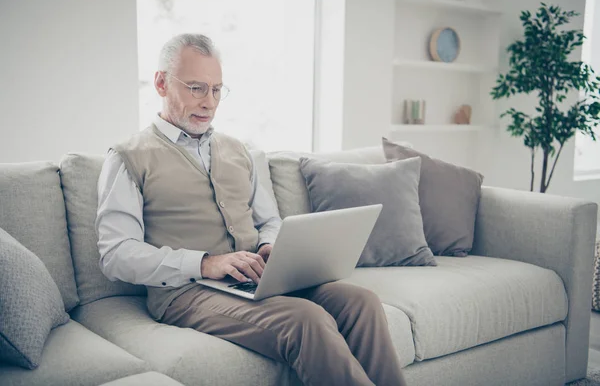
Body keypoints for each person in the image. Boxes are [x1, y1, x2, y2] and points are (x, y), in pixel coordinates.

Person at [96, 33, 408, 386]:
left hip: (257, 278)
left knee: (362, 302)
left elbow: (269, 220)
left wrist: (269, 246)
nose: (209, 103)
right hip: (187, 292)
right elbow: (116, 255)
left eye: (216, 90)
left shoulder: (240, 150)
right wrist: (204, 263)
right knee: (305, 320)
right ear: (161, 83)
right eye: (197, 88)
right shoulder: (128, 157)